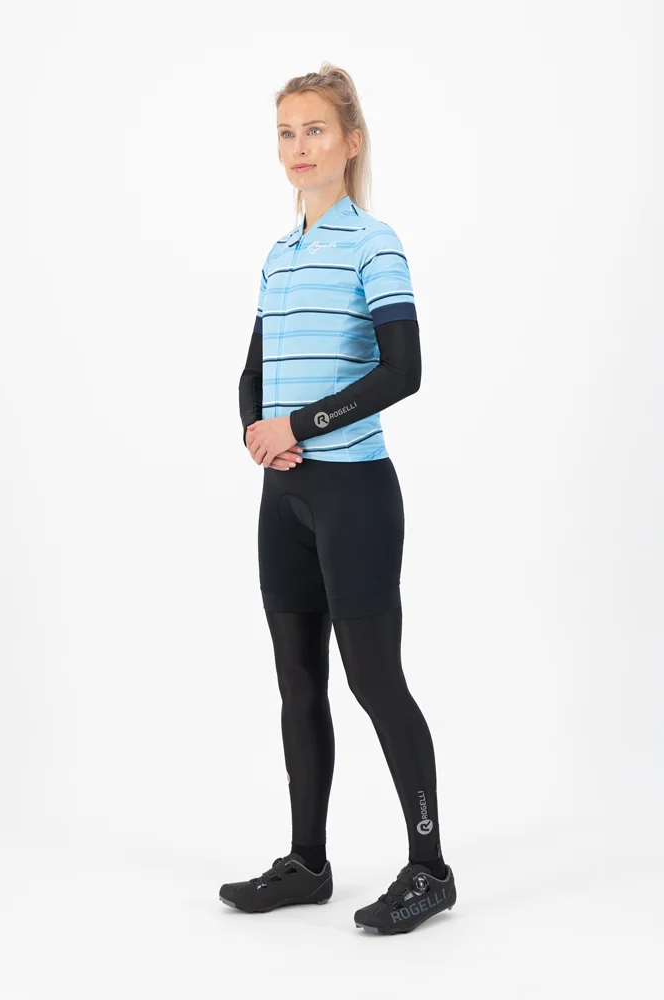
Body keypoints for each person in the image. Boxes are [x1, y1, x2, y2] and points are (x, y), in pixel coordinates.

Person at [220, 62, 457, 935]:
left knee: (373, 680)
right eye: (286, 132)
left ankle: (430, 869)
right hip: (282, 498)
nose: (298, 146)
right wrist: (255, 430)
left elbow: (404, 370)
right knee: (297, 684)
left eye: (314, 130)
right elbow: (252, 373)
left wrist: (300, 424)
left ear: (350, 142)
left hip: (353, 493)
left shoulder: (373, 243)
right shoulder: (278, 256)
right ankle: (307, 863)